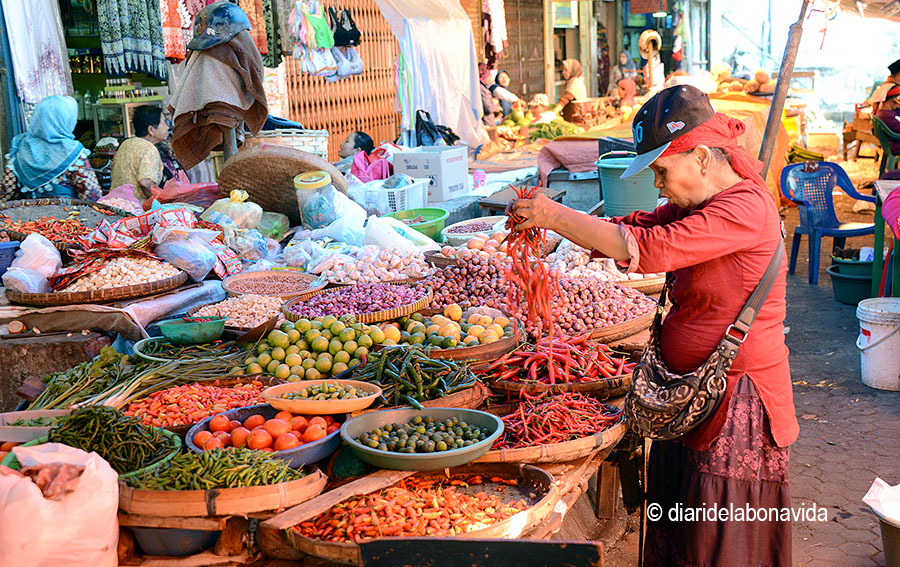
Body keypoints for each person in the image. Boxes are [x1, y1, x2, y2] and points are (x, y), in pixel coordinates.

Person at [510, 85, 797, 567]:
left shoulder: (744, 207)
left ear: (700, 157)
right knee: (685, 533)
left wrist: (555, 216)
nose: (658, 185)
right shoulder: (698, 202)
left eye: (661, 171)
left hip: (736, 400)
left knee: (719, 542)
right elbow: (639, 226)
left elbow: (653, 248)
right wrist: (562, 229)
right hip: (689, 396)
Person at [1, 95, 101, 203]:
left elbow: (6, 191)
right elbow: (91, 195)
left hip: (27, 212)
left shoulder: (20, 145)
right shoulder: (72, 151)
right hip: (67, 212)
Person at [110, 105, 169, 199]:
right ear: (151, 130)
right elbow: (145, 182)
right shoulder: (149, 149)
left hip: (116, 203)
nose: (167, 127)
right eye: (164, 122)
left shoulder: (126, 144)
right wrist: (160, 201)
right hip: (136, 206)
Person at [875, 84, 900, 155]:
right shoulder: (887, 115)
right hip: (896, 146)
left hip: (891, 144)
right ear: (893, 99)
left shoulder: (882, 112)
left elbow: (897, 112)